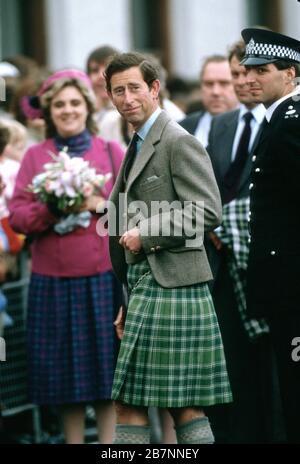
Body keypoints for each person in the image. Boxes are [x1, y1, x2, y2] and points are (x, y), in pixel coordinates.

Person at [104, 52, 232, 445]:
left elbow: (209, 209)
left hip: (175, 286)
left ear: (155, 89)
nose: (127, 98)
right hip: (148, 287)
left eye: (134, 88)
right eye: (118, 91)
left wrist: (147, 232)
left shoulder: (177, 140)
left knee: (158, 404)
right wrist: (129, 294)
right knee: (170, 404)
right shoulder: (138, 142)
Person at [9, 68, 124, 444]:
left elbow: (132, 210)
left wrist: (98, 204)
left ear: (87, 107)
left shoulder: (110, 151)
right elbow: (20, 217)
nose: (67, 110)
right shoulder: (35, 155)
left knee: (106, 377)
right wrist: (54, 208)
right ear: (47, 111)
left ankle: (108, 446)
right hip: (53, 281)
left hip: (101, 277)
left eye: (75, 102)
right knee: (64, 381)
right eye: (59, 104)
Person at [205, 40, 284, 443]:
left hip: (268, 263)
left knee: (274, 365)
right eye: (236, 74)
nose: (242, 82)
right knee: (236, 367)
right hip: (223, 267)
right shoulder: (220, 125)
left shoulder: (283, 118)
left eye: (247, 73)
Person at [241, 27, 300, 443]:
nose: (250, 78)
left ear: (291, 74)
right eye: (248, 71)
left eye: (262, 69)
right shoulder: (278, 119)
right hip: (282, 280)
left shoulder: (291, 122)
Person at [180, 55, 239, 147]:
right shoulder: (182, 127)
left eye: (224, 83)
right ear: (200, 87)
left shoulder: (250, 127)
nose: (215, 92)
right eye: (209, 84)